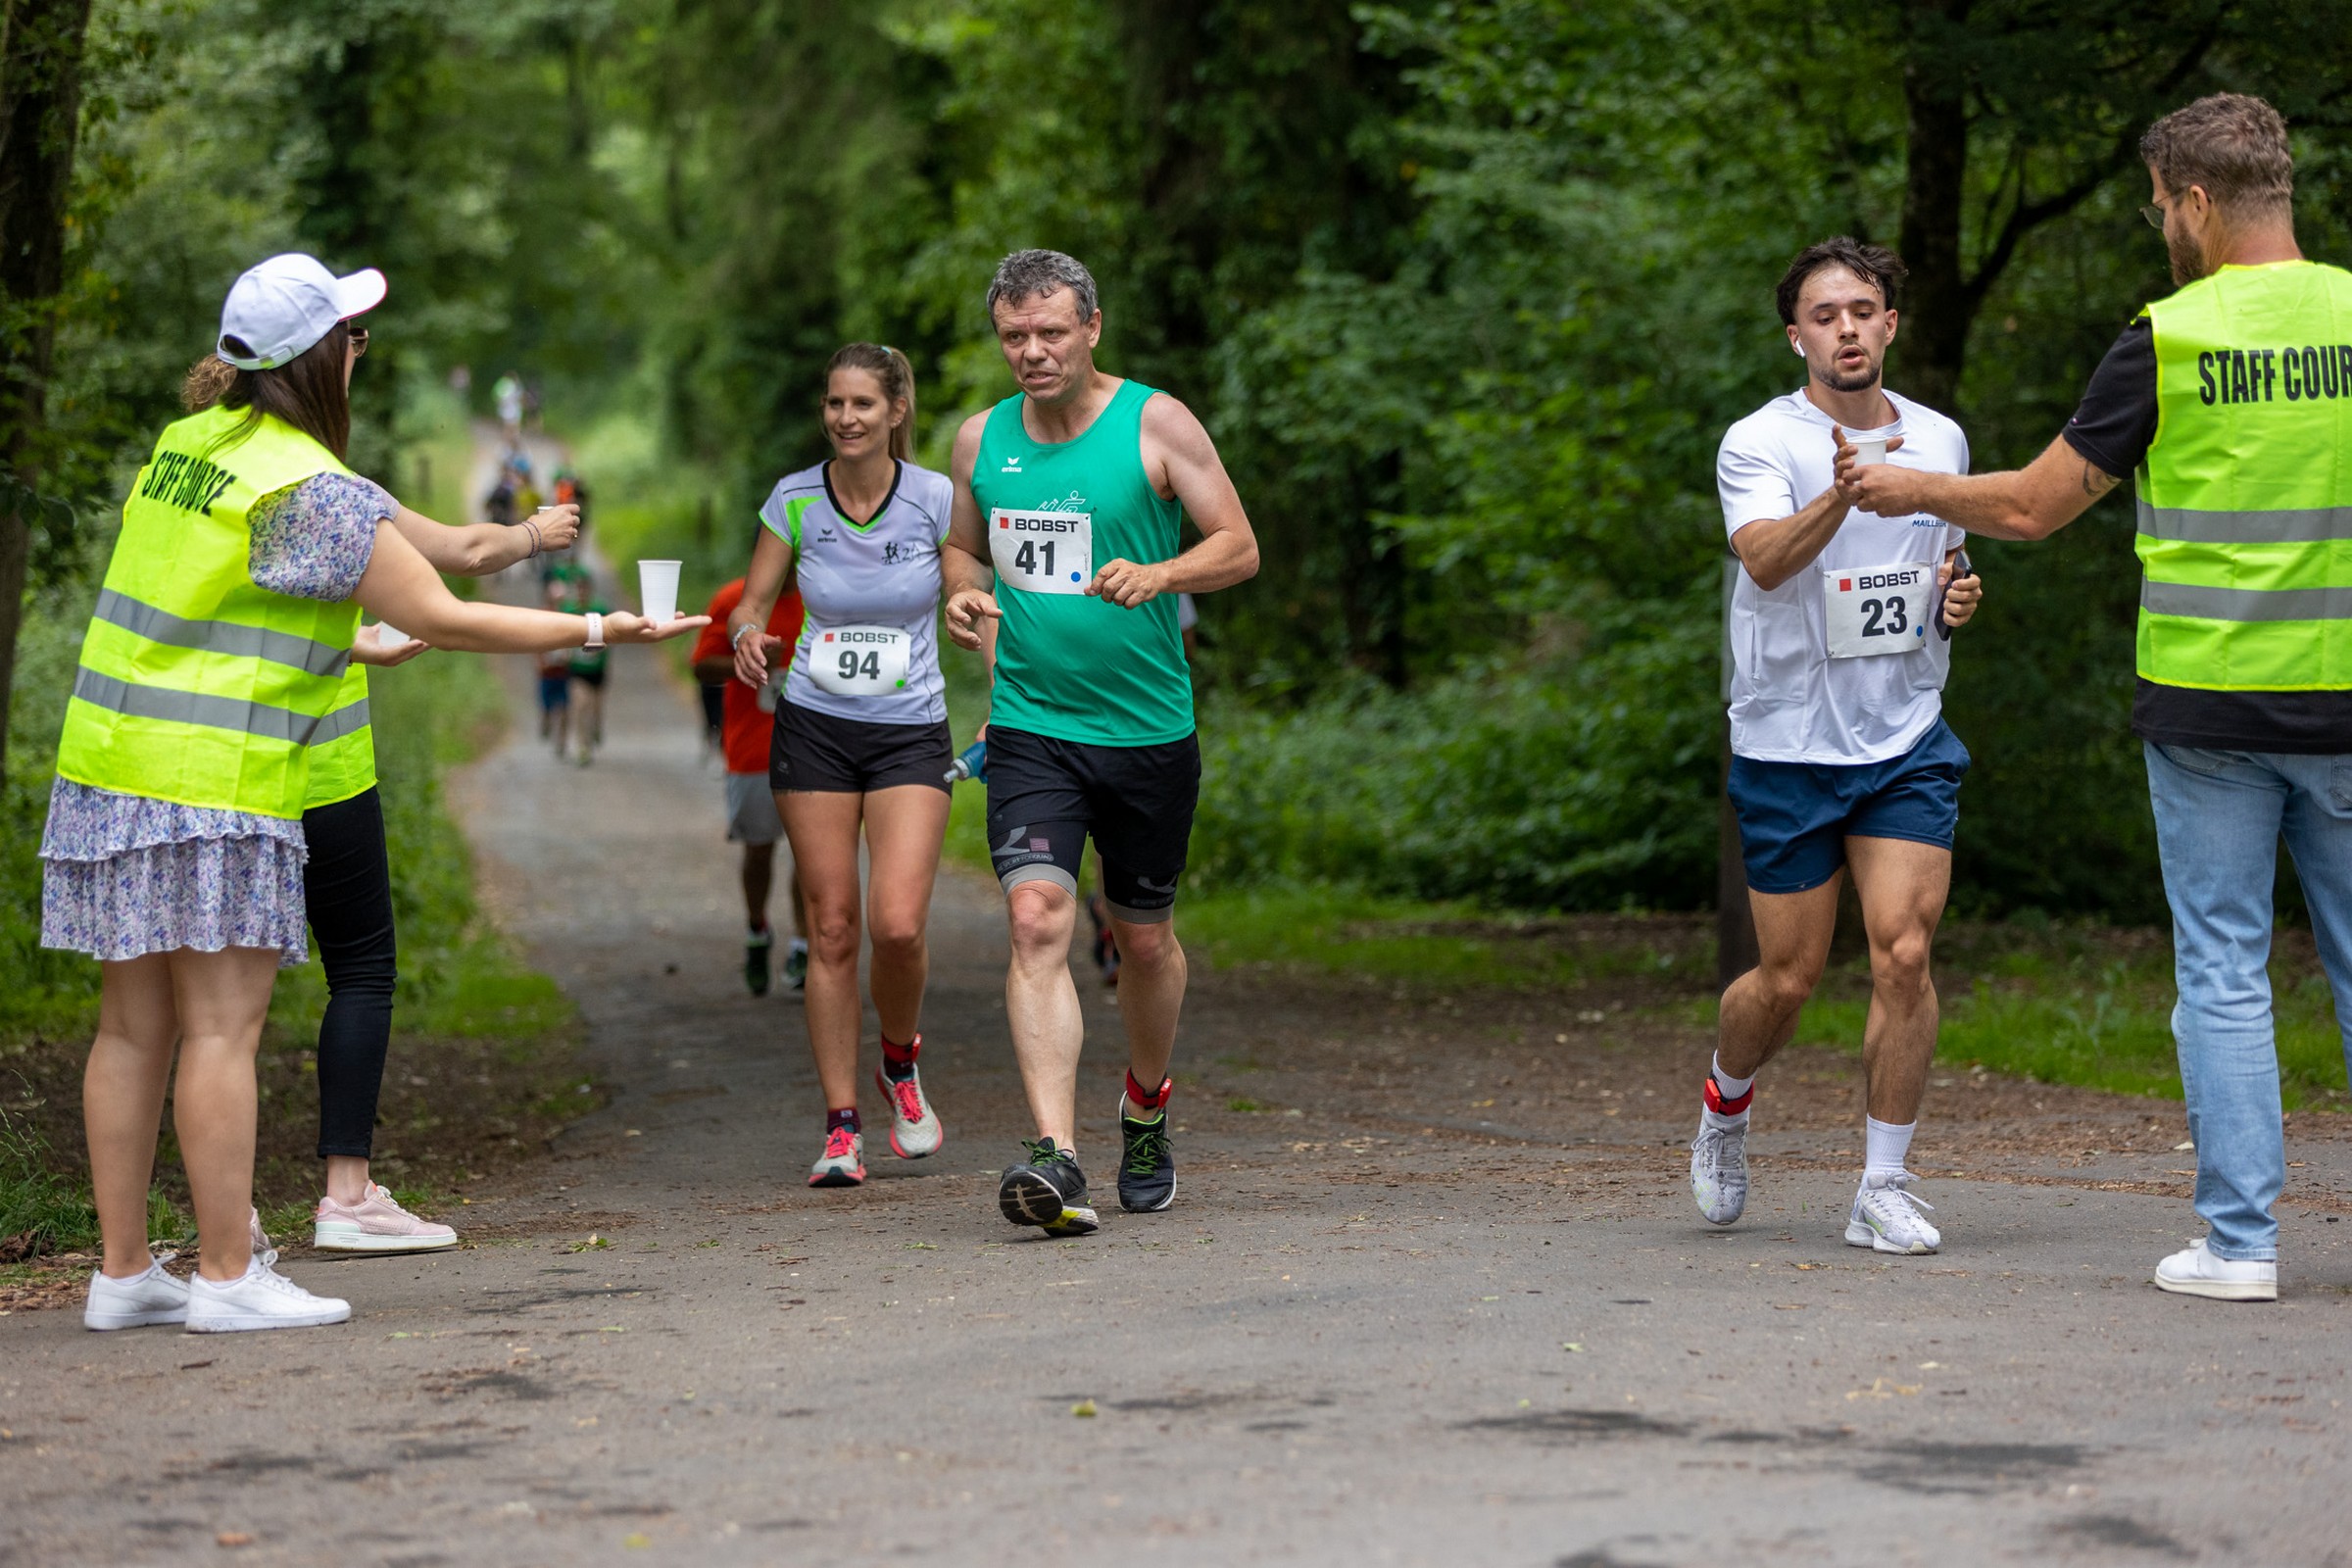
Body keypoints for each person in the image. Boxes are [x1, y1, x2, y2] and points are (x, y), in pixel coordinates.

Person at [48, 253, 701, 1334]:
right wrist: (601, 627)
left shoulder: (188, 447)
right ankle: (226, 1278)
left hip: (109, 767)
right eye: (353, 337)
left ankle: (123, 1275)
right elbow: (448, 615)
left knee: (130, 1031)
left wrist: (343, 643)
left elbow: (201, 608)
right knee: (220, 1031)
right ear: (320, 359)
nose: (361, 351)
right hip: (213, 786)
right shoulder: (311, 489)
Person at [1844, 94, 2352, 1302]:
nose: (2159, 224)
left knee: (2223, 971)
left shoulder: (2168, 339)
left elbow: (2033, 506)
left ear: (2195, 202)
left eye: (2158, 205)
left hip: (2211, 710)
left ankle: (2240, 1246)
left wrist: (1917, 492)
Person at [942, 251, 1260, 1235]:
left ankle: (1147, 1106)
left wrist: (1161, 575)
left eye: (1050, 332)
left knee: (1144, 938)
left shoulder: (1156, 424)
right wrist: (963, 591)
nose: (1032, 352)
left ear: (1091, 328)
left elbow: (1239, 546)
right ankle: (1057, 1155)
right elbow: (963, 545)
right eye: (1014, 336)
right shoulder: (980, 438)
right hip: (1031, 725)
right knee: (1036, 918)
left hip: (1146, 731)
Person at [1690, 236, 1984, 1257]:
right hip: (1789, 742)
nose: (1846, 329)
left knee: (1904, 951)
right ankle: (1726, 1102)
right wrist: (1846, 489)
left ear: (1890, 324)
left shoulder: (1941, 439)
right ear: (1797, 338)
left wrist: (1956, 597)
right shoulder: (1759, 442)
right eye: (1825, 316)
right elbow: (1766, 561)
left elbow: (1941, 565)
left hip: (1905, 735)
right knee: (1787, 977)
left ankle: (1882, 1186)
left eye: (1862, 311)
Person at [730, 344, 958, 1188]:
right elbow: (752, 602)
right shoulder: (794, 498)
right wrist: (747, 637)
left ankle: (899, 1061)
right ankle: (840, 1127)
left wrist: (979, 625)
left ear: (896, 410)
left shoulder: (935, 498)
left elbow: (969, 588)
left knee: (896, 925)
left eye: (863, 403)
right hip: (816, 728)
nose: (846, 418)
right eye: (834, 403)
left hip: (909, 731)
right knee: (831, 927)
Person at [691, 570, 812, 995]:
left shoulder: (827, 593)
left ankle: (803, 945)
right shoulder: (733, 601)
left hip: (817, 749)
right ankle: (757, 929)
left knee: (811, 854)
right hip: (753, 749)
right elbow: (701, 666)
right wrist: (748, 660)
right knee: (759, 850)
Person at [564, 572, 612, 766]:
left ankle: (596, 728)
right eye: (578, 589)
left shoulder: (599, 609)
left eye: (584, 589)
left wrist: (601, 649)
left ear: (589, 590)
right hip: (577, 670)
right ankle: (582, 747)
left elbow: (610, 634)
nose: (581, 592)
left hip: (597, 669)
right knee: (580, 706)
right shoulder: (569, 610)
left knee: (595, 708)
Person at [537, 579, 575, 758]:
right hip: (547, 673)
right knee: (547, 707)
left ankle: (562, 741)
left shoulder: (567, 615)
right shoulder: (542, 615)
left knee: (564, 709)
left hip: (563, 671)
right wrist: (540, 661)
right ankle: (546, 722)